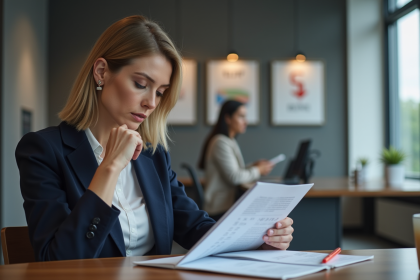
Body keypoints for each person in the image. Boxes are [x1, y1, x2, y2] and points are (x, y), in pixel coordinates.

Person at [15, 16, 293, 262]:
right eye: (140, 84)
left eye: (160, 92)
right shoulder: (42, 150)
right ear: (101, 72)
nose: (151, 103)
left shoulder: (152, 154)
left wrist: (260, 239)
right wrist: (109, 168)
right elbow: (59, 259)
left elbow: (197, 228)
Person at [198, 100, 274, 220]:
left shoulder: (229, 141)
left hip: (226, 206)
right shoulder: (220, 142)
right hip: (219, 209)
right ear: (228, 118)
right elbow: (235, 177)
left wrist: (253, 166)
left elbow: (235, 171)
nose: (246, 121)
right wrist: (258, 170)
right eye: (241, 116)